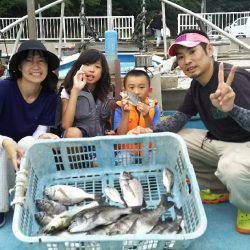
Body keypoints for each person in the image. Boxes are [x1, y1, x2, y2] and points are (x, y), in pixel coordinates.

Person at [130, 29, 250, 234]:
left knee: (230, 167)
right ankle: (220, 188)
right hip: (219, 141)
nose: (187, 61)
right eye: (181, 56)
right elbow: (180, 118)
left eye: (193, 52)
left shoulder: (234, 79)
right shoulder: (196, 85)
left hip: (244, 145)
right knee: (173, 143)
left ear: (209, 49)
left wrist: (232, 109)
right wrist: (150, 130)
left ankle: (247, 205)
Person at [0, 40, 60, 227]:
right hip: (1, 147)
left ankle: (32, 196)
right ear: (19, 66)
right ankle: (1, 207)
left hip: (22, 149)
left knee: (29, 142)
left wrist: (45, 138)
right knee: (5, 147)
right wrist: (4, 142)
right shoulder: (3, 89)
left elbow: (39, 133)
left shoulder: (50, 96)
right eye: (29, 61)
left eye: (41, 61)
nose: (36, 67)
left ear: (48, 66)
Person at [60, 49, 113, 138]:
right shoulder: (68, 90)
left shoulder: (108, 92)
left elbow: (110, 123)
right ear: (78, 67)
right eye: (87, 64)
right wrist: (75, 91)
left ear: (102, 71)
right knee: (73, 133)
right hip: (79, 138)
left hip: (101, 136)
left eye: (97, 67)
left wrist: (111, 132)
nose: (92, 70)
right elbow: (65, 125)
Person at [113, 69, 161, 135]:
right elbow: (119, 135)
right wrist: (125, 113)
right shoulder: (119, 108)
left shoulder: (155, 108)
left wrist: (147, 116)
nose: (136, 92)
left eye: (141, 87)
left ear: (149, 90)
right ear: (124, 90)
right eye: (131, 87)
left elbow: (157, 134)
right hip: (127, 145)